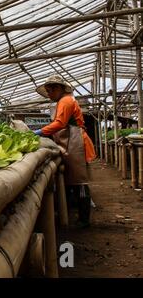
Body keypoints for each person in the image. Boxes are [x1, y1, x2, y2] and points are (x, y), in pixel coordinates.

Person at [33, 75, 96, 228]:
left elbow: (60, 123)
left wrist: (39, 132)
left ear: (58, 88)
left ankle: (84, 220)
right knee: (73, 181)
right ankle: (74, 213)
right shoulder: (65, 101)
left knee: (80, 182)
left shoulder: (66, 101)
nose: (49, 94)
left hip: (76, 143)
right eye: (47, 91)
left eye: (50, 91)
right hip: (72, 143)